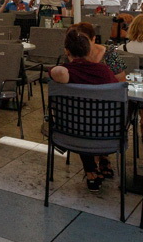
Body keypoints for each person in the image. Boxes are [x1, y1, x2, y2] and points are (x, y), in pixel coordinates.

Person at [48, 29, 120, 191]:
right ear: (89, 50)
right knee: (96, 115)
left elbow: (58, 72)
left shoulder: (67, 72)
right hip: (107, 133)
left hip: (71, 132)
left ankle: (90, 170)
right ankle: (103, 159)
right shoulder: (104, 71)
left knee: (80, 116)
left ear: (66, 51)